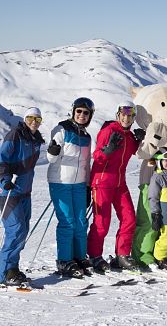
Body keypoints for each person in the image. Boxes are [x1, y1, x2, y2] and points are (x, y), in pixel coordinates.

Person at [87, 101, 142, 272]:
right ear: (118, 115)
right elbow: (96, 156)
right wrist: (107, 150)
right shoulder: (109, 131)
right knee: (102, 223)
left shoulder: (128, 136)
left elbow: (135, 152)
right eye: (123, 115)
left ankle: (122, 255)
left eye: (130, 115)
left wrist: (140, 140)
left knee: (129, 219)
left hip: (120, 183)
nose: (126, 118)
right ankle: (94, 256)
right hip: (102, 182)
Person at [47, 97, 94, 278]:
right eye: (79, 111)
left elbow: (86, 164)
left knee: (81, 222)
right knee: (68, 222)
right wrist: (52, 150)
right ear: (73, 111)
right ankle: (64, 260)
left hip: (80, 184)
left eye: (86, 112)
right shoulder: (62, 129)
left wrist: (88, 186)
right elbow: (52, 158)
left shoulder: (87, 137)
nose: (82, 115)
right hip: (61, 182)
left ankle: (79, 257)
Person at [0, 107, 45, 286]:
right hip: (10, 192)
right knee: (16, 230)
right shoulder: (15, 135)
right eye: (30, 118)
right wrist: (4, 180)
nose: (34, 122)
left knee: (23, 231)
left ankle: (13, 269)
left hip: (25, 193)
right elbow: (2, 158)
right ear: (25, 119)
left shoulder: (35, 140)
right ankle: (3, 273)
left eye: (38, 119)